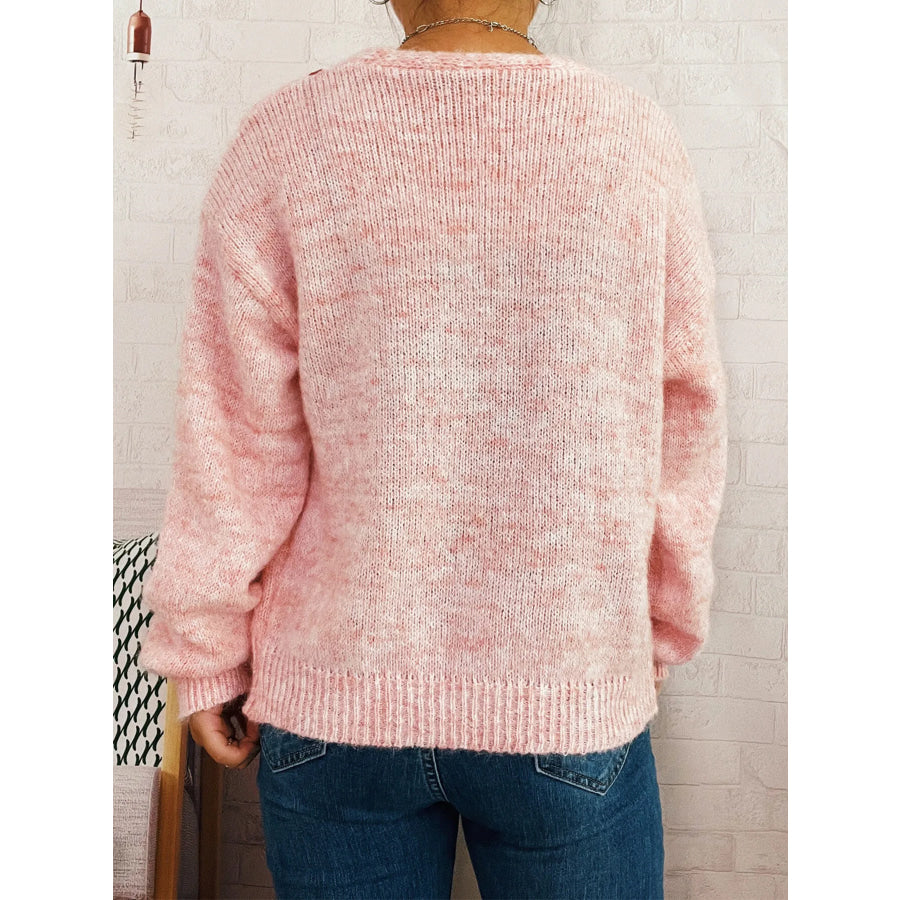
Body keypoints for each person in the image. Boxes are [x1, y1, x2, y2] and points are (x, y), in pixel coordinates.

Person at [137, 1, 729, 897]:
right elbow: (685, 418)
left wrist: (204, 647)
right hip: (566, 682)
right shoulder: (633, 142)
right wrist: (660, 625)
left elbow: (235, 432)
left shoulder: (288, 141)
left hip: (336, 696)